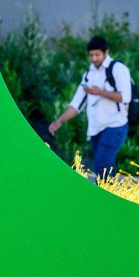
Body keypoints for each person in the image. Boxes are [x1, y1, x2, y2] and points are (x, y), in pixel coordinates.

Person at [49, 36, 132, 179]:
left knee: (102, 165)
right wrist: (60, 121)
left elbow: (125, 97)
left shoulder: (118, 69)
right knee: (105, 166)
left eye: (97, 55)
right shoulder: (89, 74)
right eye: (91, 55)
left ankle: (106, 192)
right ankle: (112, 192)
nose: (94, 58)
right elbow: (77, 103)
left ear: (106, 52)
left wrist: (100, 92)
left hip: (115, 125)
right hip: (95, 129)